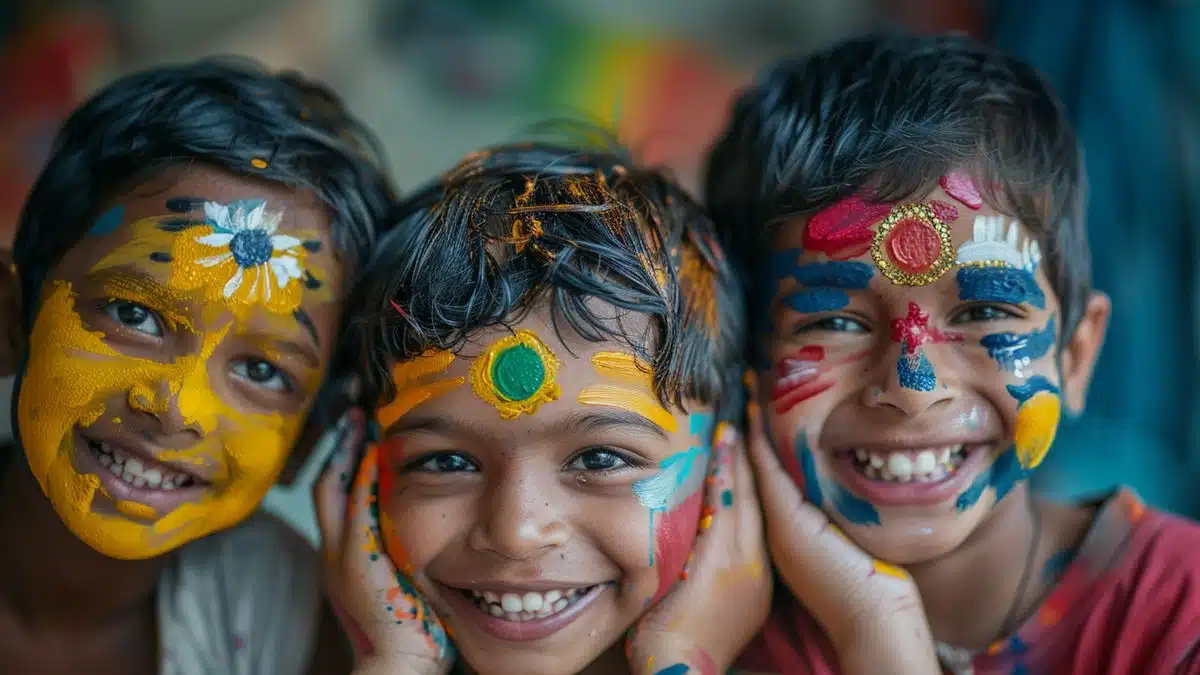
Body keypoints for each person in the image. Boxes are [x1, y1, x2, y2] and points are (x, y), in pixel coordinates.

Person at [704, 33, 1200, 674]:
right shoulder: (712, 630)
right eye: (833, 321)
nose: (914, 386)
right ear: (742, 363)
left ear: (1077, 358)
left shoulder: (1179, 619)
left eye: (984, 312)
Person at [0, 57, 393, 674]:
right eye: (134, 315)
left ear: (305, 442)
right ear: (11, 317)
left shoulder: (292, 628)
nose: (176, 405)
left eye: (262, 373)